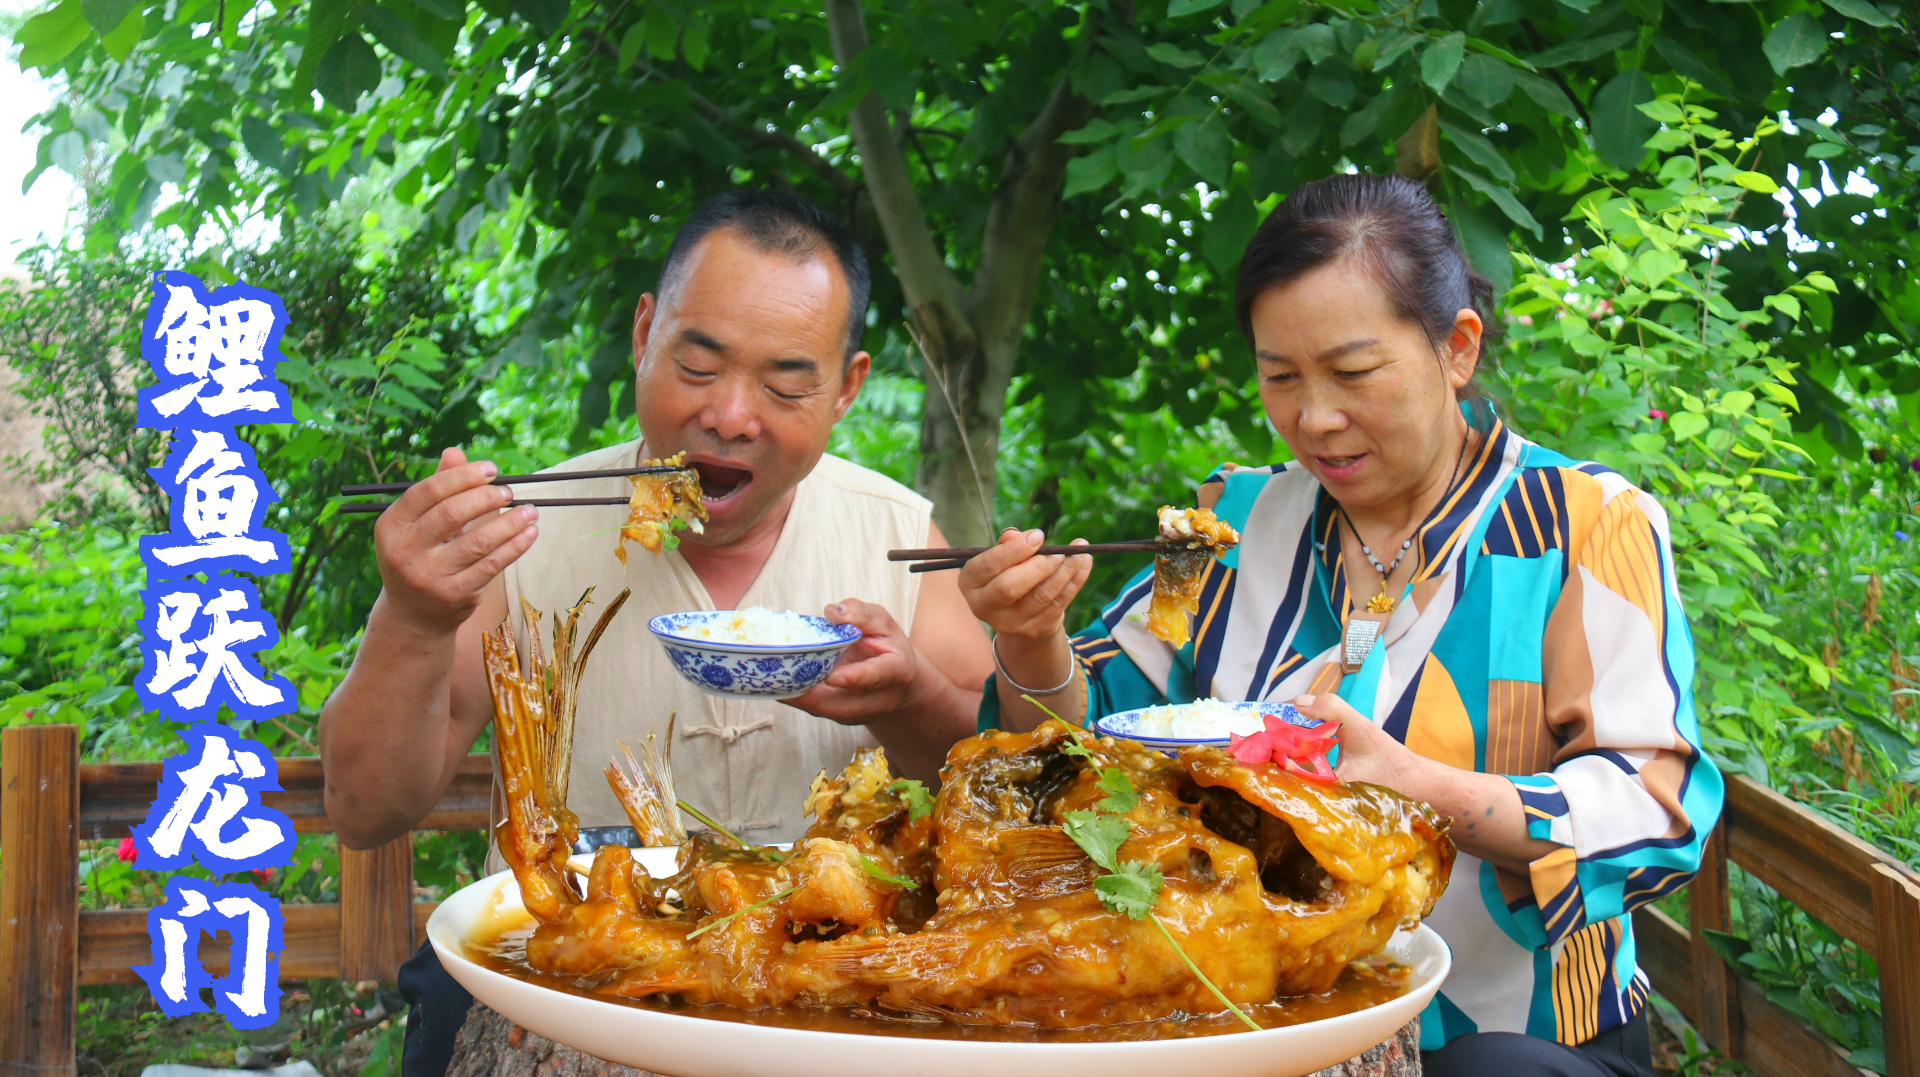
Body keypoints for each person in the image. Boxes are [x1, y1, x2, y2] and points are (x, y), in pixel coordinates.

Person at [960, 173, 1721, 1077]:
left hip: (1511, 1044)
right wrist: (1031, 637)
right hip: (1257, 1028)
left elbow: (1657, 811)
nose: (1314, 419)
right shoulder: (1230, 519)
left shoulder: (1584, 523)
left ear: (1458, 348)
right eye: (1280, 376)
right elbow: (1084, 735)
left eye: (1354, 373)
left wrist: (1415, 783)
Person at [318, 189, 993, 1076]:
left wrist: (911, 700)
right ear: (644, 336)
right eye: (700, 365)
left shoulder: (893, 537)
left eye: (786, 382)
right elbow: (368, 809)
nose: (732, 416)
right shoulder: (522, 537)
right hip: (563, 997)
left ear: (846, 389)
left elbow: (1004, 790)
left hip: (827, 1004)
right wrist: (410, 617)